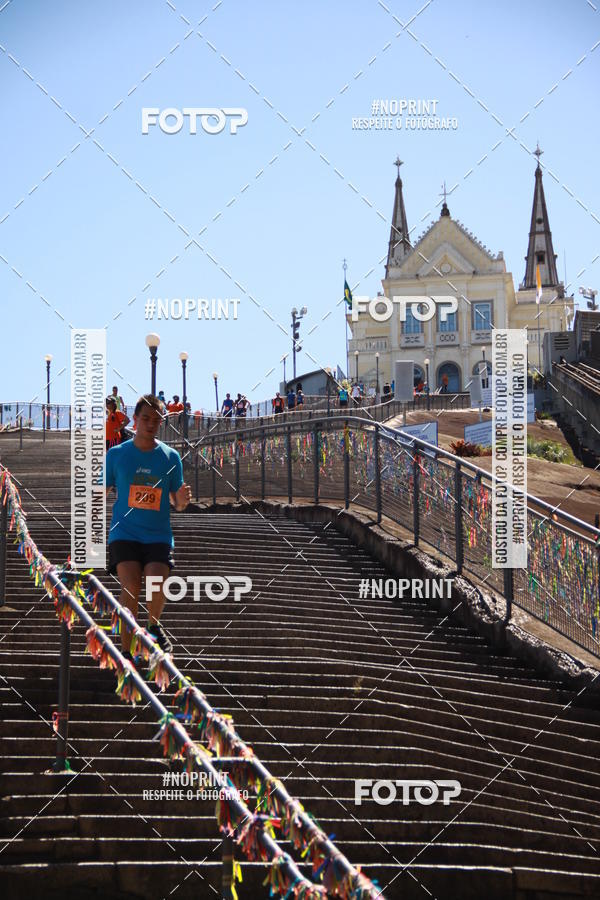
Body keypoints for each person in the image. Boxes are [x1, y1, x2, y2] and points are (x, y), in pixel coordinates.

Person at [105, 394, 192, 660]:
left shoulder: (170, 457)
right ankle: (126, 651)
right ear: (135, 419)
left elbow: (178, 503)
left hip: (158, 534)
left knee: (156, 580)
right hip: (125, 532)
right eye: (146, 419)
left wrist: (182, 500)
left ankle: (153, 626)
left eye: (156, 420)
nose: (151, 424)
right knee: (131, 585)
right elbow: (101, 490)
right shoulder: (117, 454)